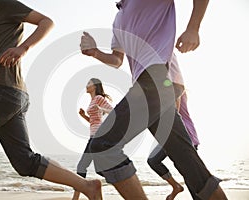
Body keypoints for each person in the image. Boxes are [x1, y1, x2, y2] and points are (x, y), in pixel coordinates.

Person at [0, 1, 102, 199]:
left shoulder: (4, 5)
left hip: (0, 92)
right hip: (8, 96)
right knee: (24, 162)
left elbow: (46, 22)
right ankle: (87, 186)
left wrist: (23, 48)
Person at [79, 0, 228, 199]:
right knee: (187, 160)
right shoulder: (119, 18)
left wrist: (193, 28)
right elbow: (117, 59)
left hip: (158, 77)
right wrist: (95, 53)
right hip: (149, 83)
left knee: (104, 145)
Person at [147, 53, 200, 200]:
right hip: (176, 135)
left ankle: (179, 187)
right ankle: (176, 186)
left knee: (191, 175)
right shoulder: (168, 85)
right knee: (188, 173)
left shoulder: (173, 85)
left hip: (183, 134)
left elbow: (174, 111)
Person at [72, 78, 113, 200]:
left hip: (98, 136)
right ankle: (121, 178)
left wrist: (101, 109)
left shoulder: (99, 99)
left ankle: (75, 198)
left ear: (95, 86)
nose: (86, 85)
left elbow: (113, 111)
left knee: (81, 166)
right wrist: (84, 115)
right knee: (99, 170)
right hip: (94, 136)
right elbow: (93, 121)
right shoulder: (92, 101)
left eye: (88, 83)